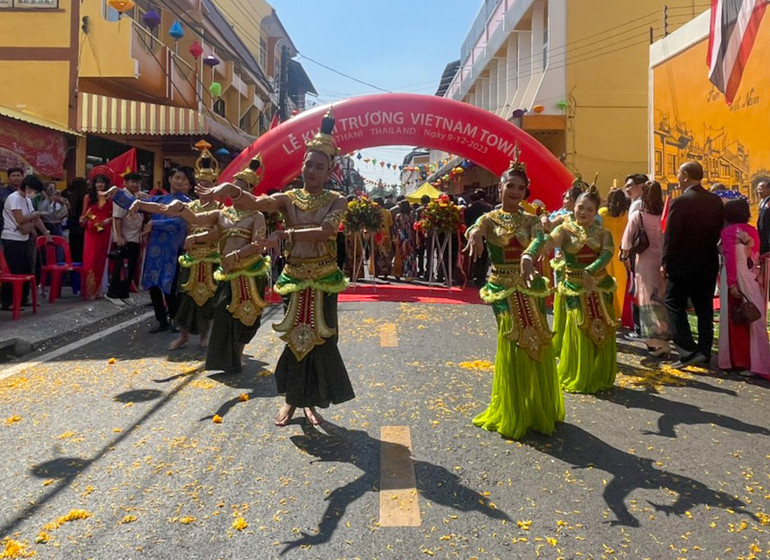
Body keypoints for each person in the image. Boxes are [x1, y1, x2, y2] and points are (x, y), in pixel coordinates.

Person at [201, 109, 354, 427]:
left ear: (329, 171)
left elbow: (327, 232)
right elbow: (257, 203)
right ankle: (292, 401)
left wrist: (286, 234)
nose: (311, 170)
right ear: (302, 166)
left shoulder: (337, 200)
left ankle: (310, 402)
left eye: (319, 167)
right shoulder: (287, 198)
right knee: (294, 336)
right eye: (308, 164)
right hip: (295, 277)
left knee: (322, 338)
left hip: (324, 278)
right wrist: (230, 190)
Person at [465, 158, 564, 439]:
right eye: (511, 185)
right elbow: (475, 229)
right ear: (500, 187)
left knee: (537, 339)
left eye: (521, 188)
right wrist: (474, 236)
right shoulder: (488, 218)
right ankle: (513, 407)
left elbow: (537, 239)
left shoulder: (532, 220)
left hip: (528, 283)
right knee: (512, 339)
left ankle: (536, 406)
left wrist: (528, 256)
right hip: (500, 288)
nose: (516, 191)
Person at [145, 154, 268, 367]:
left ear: (250, 192)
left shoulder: (257, 215)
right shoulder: (223, 214)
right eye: (232, 187)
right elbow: (198, 219)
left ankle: (239, 351)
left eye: (240, 188)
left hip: (249, 271)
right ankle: (198, 341)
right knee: (221, 311)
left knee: (248, 315)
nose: (235, 192)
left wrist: (237, 254)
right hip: (225, 270)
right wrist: (181, 209)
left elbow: (259, 244)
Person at [550, 186, 618, 393]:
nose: (584, 212)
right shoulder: (564, 229)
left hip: (599, 286)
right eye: (580, 207)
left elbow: (607, 254)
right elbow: (548, 242)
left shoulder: (603, 233)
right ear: (573, 207)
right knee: (578, 327)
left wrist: (591, 270)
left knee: (601, 329)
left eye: (589, 209)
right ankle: (576, 371)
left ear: (596, 211)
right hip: (573, 286)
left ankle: (598, 372)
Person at [662, 161, 724, 368]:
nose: (677, 177)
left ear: (686, 175)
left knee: (673, 303)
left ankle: (687, 350)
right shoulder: (715, 201)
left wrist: (665, 261)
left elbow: (671, 236)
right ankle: (704, 351)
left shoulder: (681, 202)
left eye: (679, 173)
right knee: (704, 308)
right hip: (707, 262)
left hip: (682, 264)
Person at [717, 198, 770, 379]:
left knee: (733, 319)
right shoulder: (752, 231)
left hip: (735, 277)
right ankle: (758, 362)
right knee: (755, 320)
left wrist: (732, 283)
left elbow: (730, 260)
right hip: (751, 277)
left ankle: (734, 360)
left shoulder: (728, 232)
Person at [620, 181, 670, 357]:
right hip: (663, 262)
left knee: (647, 299)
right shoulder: (666, 216)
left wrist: (625, 258)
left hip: (645, 262)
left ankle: (655, 342)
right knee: (661, 299)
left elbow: (626, 242)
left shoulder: (638, 216)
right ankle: (665, 338)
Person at [140, 168, 192, 333]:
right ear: (170, 179)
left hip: (173, 249)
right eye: (177, 178)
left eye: (183, 179)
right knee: (153, 285)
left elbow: (180, 224)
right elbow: (136, 205)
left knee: (171, 286)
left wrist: (155, 224)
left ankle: (175, 319)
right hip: (155, 248)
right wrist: (118, 193)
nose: (179, 181)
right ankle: (161, 320)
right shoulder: (159, 200)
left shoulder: (187, 203)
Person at [1, 175, 51, 310]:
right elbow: (20, 218)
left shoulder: (27, 200)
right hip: (12, 238)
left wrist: (46, 232)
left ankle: (22, 298)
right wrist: (34, 215)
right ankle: (8, 301)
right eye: (34, 191)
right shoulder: (14, 198)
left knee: (26, 270)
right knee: (13, 271)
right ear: (28, 188)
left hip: (24, 238)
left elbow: (36, 218)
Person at [80, 169, 114, 300]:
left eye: (102, 182)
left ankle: (100, 289)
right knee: (90, 258)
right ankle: (89, 290)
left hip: (105, 230)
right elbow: (84, 214)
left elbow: (115, 215)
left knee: (102, 258)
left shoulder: (110, 198)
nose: (100, 185)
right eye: (97, 182)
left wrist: (107, 221)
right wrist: (87, 219)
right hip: (91, 230)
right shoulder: (88, 197)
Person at [598, 188, 629, 321]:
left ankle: (606, 312)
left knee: (605, 282)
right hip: (621, 255)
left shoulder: (602, 214)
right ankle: (620, 312)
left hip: (606, 253)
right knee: (621, 283)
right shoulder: (627, 214)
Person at [464, 189, 493, 286]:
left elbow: (466, 221)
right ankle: (481, 277)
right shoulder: (489, 208)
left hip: (472, 235)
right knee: (484, 257)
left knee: (472, 256)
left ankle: (471, 275)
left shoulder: (470, 208)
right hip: (486, 235)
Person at [62, 177, 87, 263]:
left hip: (72, 224)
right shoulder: (86, 195)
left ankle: (73, 267)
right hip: (83, 225)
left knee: (73, 248)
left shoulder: (67, 193)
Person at [392, 199, 417, 280]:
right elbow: (414, 227)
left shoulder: (398, 216)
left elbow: (395, 228)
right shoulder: (412, 216)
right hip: (410, 238)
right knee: (410, 255)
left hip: (401, 237)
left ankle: (398, 273)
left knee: (400, 255)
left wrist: (395, 236)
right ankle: (409, 273)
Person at [370, 196, 393, 278]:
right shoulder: (387, 212)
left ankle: (376, 271)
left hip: (374, 235)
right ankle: (385, 271)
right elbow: (390, 224)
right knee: (385, 254)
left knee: (375, 253)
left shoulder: (371, 212)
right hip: (385, 235)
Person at [0, 167, 24, 236]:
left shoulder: (26, 194)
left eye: (18, 175)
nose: (16, 178)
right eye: (13, 176)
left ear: (22, 177)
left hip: (25, 231)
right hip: (5, 230)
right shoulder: (2, 193)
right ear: (8, 178)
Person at [755, 180, 770, 254]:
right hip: (763, 237)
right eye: (757, 189)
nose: (758, 191)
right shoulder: (763, 201)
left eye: (760, 189)